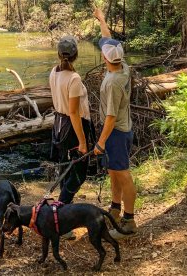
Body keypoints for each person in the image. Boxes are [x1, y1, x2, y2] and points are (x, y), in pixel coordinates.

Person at [93, 8, 137, 239]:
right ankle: (115, 209)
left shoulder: (112, 83)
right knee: (114, 171)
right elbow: (107, 38)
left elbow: (110, 117)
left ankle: (129, 222)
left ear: (104, 58)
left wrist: (100, 142)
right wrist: (102, 20)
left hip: (117, 131)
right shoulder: (123, 66)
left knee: (123, 174)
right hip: (122, 128)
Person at [50, 36, 93, 207]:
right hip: (73, 127)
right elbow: (74, 112)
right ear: (76, 55)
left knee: (65, 168)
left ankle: (64, 210)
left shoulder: (54, 72)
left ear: (59, 54)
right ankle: (60, 209)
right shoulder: (74, 78)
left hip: (59, 125)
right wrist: (83, 141)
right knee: (78, 173)